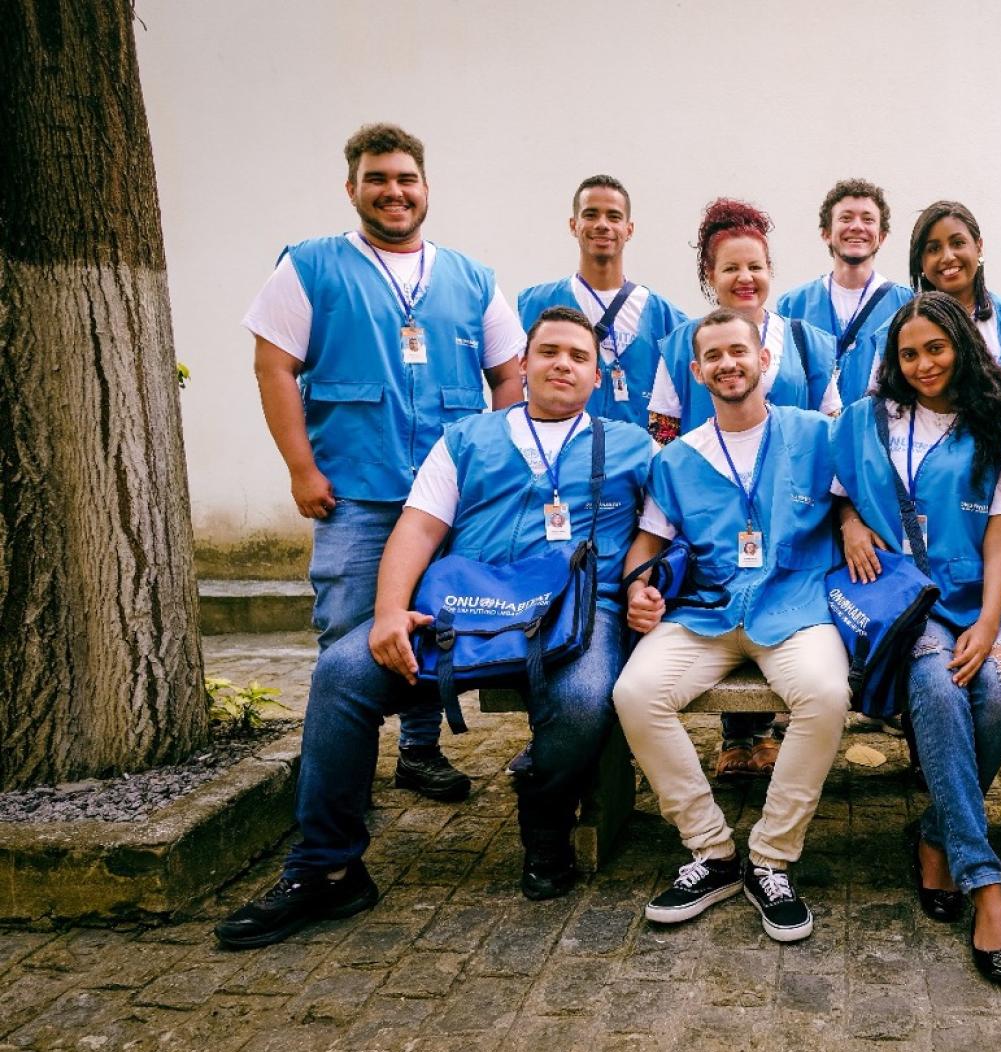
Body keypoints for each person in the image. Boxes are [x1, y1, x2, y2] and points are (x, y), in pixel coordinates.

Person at [215, 308, 654, 948]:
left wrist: (644, 588)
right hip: (462, 611)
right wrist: (391, 610)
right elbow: (418, 528)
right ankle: (326, 867)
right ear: (523, 364)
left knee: (586, 700)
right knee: (341, 674)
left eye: (578, 356)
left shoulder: (634, 447)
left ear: (596, 375)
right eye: (549, 351)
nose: (563, 364)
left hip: (575, 616)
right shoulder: (467, 439)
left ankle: (546, 823)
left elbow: (663, 531)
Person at [243, 123, 524, 804]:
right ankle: (344, 772)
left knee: (428, 622)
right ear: (352, 188)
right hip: (356, 492)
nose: (393, 192)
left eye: (405, 179)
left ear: (426, 189)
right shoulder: (309, 267)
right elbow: (273, 366)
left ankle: (420, 753)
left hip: (448, 498)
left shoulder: (471, 277)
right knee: (349, 630)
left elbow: (510, 378)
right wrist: (301, 469)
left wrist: (495, 470)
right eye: (378, 179)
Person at [614, 308, 850, 943]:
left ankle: (771, 858)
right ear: (697, 371)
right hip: (708, 611)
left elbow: (854, 497)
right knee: (635, 693)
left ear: (763, 359)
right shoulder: (677, 460)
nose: (727, 363)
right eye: (713, 355)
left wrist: (851, 522)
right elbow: (648, 540)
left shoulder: (814, 434)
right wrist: (639, 585)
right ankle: (712, 852)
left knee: (825, 696)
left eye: (738, 351)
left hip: (795, 604)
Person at [832, 292, 1001, 983]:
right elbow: (840, 489)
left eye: (936, 348)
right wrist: (851, 524)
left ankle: (933, 833)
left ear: (963, 348)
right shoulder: (868, 419)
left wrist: (988, 621)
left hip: (985, 595)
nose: (923, 364)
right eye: (909, 352)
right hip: (907, 600)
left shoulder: (1000, 424)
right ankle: (986, 885)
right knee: (938, 686)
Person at [649, 198, 839, 777]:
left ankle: (772, 733)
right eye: (729, 267)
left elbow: (834, 427)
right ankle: (740, 734)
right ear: (710, 277)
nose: (744, 277)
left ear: (769, 269)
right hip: (716, 516)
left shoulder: (805, 343)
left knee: (782, 597)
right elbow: (664, 430)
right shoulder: (686, 343)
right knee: (726, 583)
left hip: (797, 520)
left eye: (754, 265)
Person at [515, 175, 688, 427]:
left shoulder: (666, 317)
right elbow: (515, 387)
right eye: (591, 215)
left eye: (614, 216)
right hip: (560, 457)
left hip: (636, 459)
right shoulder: (533, 305)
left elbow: (674, 406)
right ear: (573, 225)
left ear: (629, 229)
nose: (602, 225)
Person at [844, 200, 1001, 400]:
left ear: (979, 247)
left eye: (958, 243)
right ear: (921, 262)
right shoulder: (896, 332)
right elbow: (881, 411)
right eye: (933, 249)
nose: (948, 256)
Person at [775, 178, 914, 404]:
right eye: (846, 218)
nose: (857, 226)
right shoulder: (792, 305)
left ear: (882, 236)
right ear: (826, 233)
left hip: (875, 433)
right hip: (813, 434)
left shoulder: (905, 303)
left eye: (868, 219)